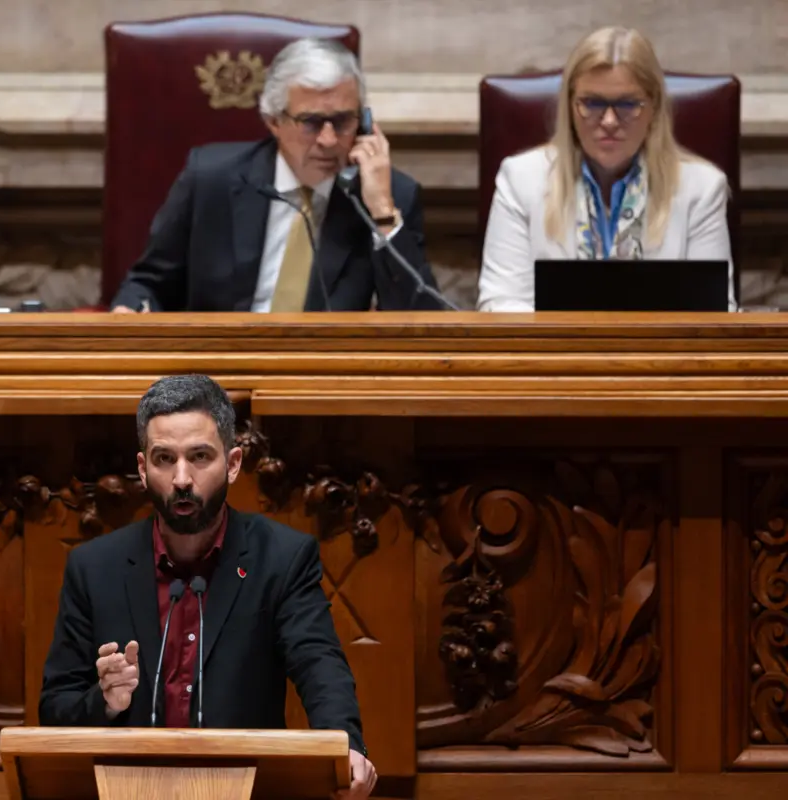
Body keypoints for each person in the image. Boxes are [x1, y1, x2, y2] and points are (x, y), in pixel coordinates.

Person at [39, 374, 377, 799]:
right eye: (164, 459)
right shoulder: (94, 568)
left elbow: (319, 665)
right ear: (142, 470)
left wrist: (345, 745)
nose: (182, 478)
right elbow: (55, 709)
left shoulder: (281, 559)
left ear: (233, 463)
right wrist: (105, 701)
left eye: (200, 456)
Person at [109, 37, 440, 313]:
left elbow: (420, 325)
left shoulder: (391, 195)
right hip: (216, 371)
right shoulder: (211, 178)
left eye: (342, 121)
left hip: (322, 377)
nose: (328, 140)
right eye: (311, 123)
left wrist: (382, 211)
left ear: (365, 122)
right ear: (273, 121)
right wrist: (130, 310)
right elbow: (149, 283)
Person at [477, 26, 735, 311]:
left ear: (654, 108)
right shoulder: (520, 180)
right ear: (570, 106)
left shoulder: (702, 189)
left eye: (627, 104)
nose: (610, 120)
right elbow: (500, 305)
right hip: (549, 354)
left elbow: (714, 317)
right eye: (592, 103)